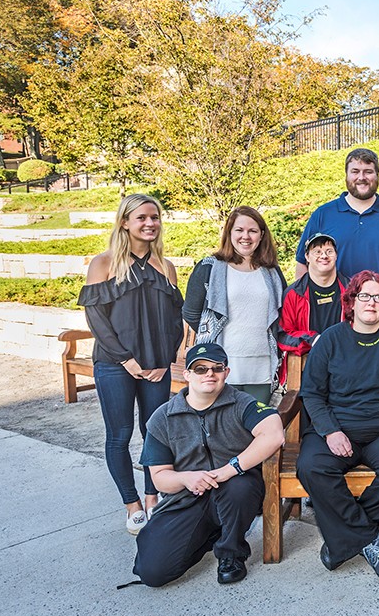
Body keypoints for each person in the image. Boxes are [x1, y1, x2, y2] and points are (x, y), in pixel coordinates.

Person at [298, 271, 379, 580]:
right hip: (338, 429)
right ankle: (369, 537)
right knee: (311, 467)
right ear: (351, 302)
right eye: (365, 296)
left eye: (378, 297)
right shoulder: (330, 339)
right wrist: (330, 430)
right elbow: (312, 393)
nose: (371, 302)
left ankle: (343, 536)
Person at [132, 343, 285, 586]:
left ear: (227, 372)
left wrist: (229, 470)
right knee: (153, 572)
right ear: (187, 374)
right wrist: (186, 478)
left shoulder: (241, 403)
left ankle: (231, 553)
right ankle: (210, 534)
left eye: (217, 368)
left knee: (239, 487)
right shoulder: (163, 418)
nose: (209, 374)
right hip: (187, 497)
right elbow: (160, 477)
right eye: (201, 369)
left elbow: (274, 434)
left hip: (235, 488)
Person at [79, 194, 183, 535]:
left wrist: (165, 358)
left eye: (154, 217)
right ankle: (132, 504)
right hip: (113, 364)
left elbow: (173, 319)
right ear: (125, 222)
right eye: (142, 218)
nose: (150, 223)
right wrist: (126, 359)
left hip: (156, 367)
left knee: (155, 434)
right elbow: (96, 318)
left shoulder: (166, 267)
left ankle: (153, 497)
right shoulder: (104, 263)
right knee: (120, 435)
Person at [183, 206, 287, 405]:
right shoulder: (209, 267)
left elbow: (281, 314)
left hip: (262, 365)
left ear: (261, 235)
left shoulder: (272, 271)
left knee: (257, 428)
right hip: (220, 365)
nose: (245, 236)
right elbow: (191, 312)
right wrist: (213, 336)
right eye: (239, 230)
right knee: (221, 429)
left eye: (252, 231)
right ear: (229, 232)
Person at [294, 148, 379, 281]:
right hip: (334, 301)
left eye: (368, 172)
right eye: (355, 172)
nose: (361, 177)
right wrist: (303, 299)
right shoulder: (323, 215)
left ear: (377, 175)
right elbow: (303, 262)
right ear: (346, 175)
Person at [278, 233, 348, 358]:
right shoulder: (293, 293)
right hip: (307, 365)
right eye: (317, 251)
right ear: (307, 257)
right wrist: (312, 340)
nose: (324, 256)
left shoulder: (351, 290)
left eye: (329, 251)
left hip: (346, 362)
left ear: (336, 255)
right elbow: (283, 335)